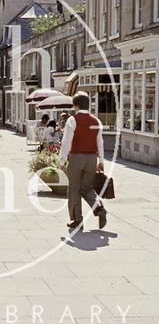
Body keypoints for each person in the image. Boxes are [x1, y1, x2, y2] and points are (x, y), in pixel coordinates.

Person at [59, 91, 107, 230]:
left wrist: (62, 161)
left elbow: (66, 142)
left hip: (76, 157)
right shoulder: (96, 120)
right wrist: (101, 161)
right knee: (87, 188)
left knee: (74, 189)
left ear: (76, 105)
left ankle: (77, 220)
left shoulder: (72, 120)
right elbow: (100, 143)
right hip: (92, 158)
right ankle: (98, 207)